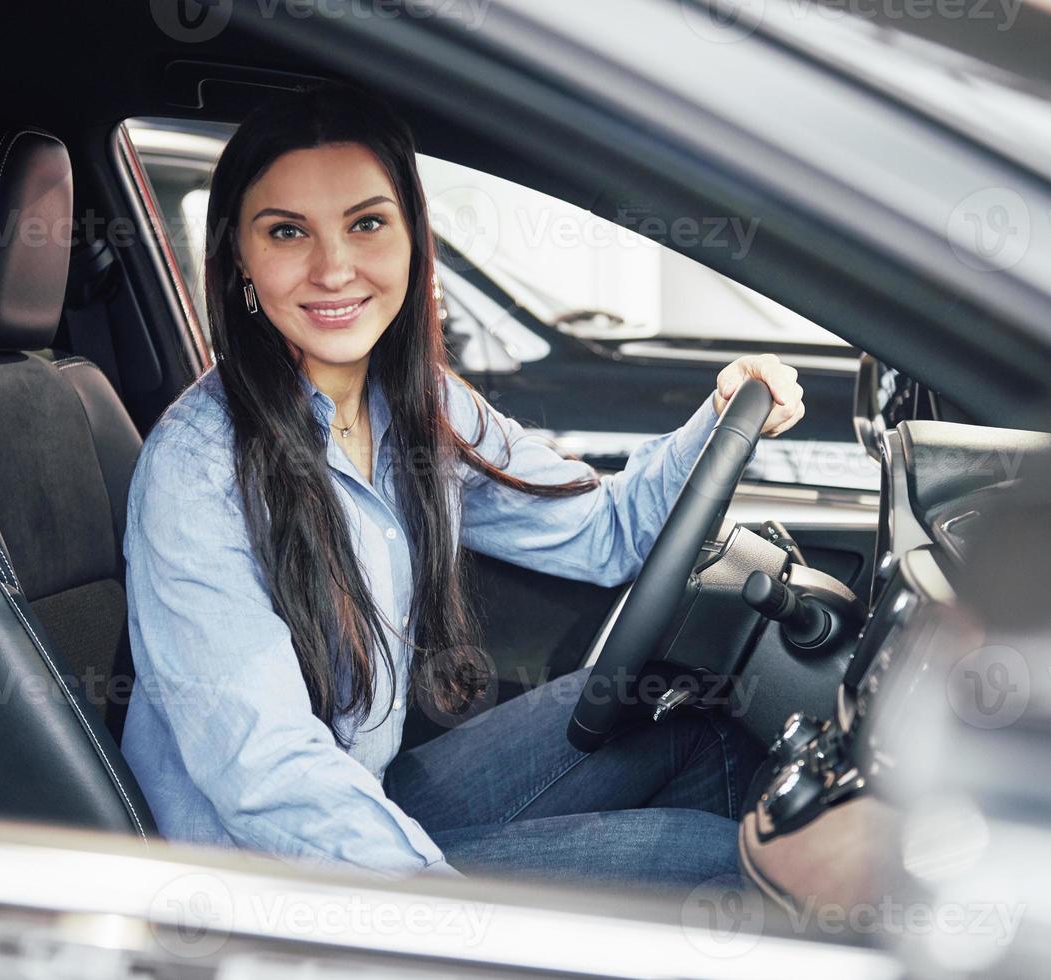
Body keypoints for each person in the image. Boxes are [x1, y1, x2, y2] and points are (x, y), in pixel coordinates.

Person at [119, 80, 807, 896]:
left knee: (696, 731)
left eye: (366, 224)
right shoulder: (195, 469)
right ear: (239, 254)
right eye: (287, 232)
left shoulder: (420, 405)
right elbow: (261, 769)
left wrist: (722, 415)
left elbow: (602, 533)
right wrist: (447, 912)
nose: (333, 268)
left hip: (358, 796)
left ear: (414, 237)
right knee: (723, 868)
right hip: (263, 874)